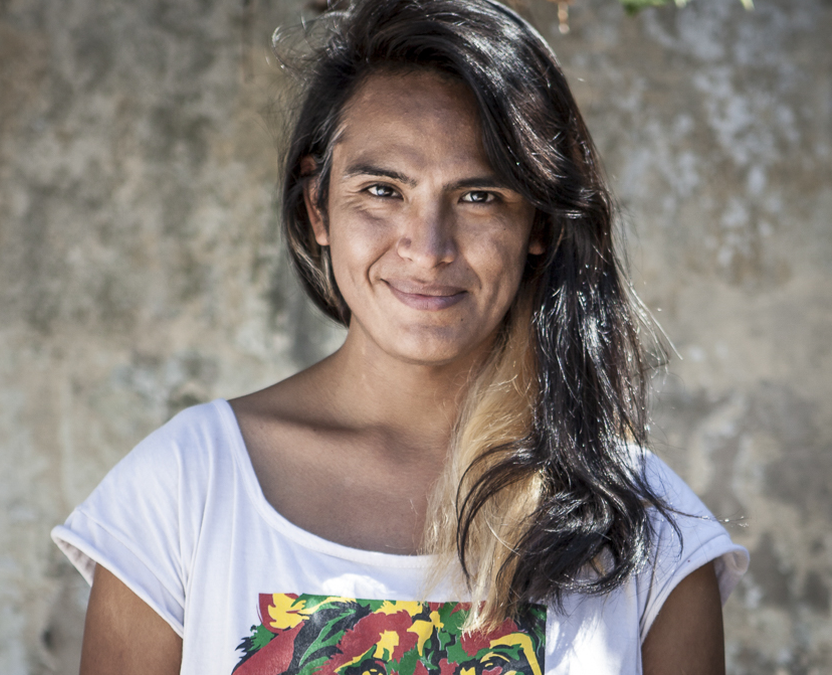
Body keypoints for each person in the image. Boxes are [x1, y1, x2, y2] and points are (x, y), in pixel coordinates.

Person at [51, 0, 749, 673]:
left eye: (479, 196)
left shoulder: (644, 525)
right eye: (384, 190)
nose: (427, 248)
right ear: (318, 205)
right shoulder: (186, 487)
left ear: (538, 224)